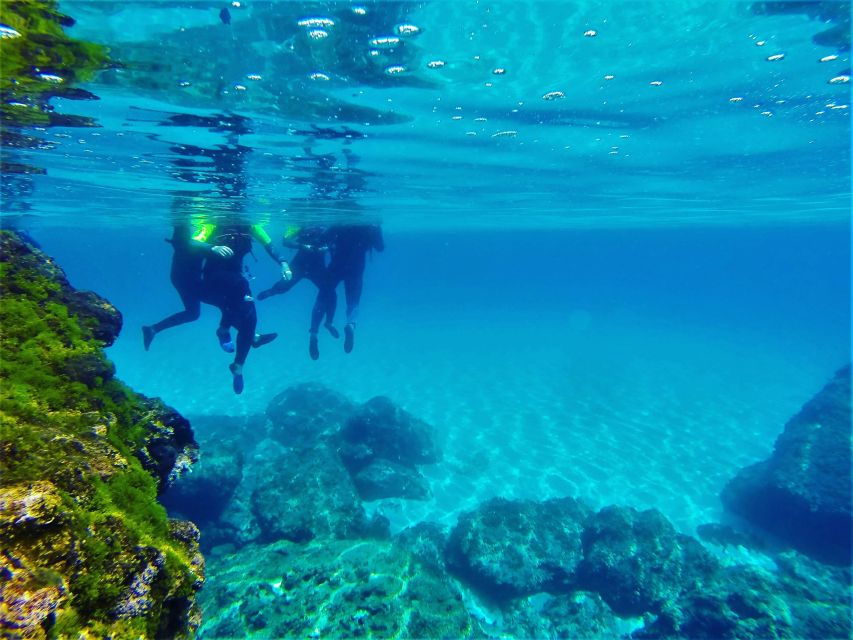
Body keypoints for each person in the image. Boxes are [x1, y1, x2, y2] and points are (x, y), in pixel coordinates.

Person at [194, 220, 292, 393]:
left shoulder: (251, 225)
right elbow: (192, 242)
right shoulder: (213, 222)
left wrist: (283, 262)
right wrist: (212, 248)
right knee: (242, 287)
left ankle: (238, 366)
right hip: (214, 278)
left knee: (250, 319)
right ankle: (225, 330)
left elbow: (269, 245)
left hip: (236, 280)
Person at [256, 225, 339, 360]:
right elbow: (285, 240)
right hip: (300, 264)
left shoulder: (328, 226)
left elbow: (336, 245)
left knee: (331, 293)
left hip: (316, 267)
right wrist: (302, 246)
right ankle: (272, 291)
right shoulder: (300, 224)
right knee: (284, 287)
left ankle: (328, 323)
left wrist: (328, 248)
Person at [324, 223, 384, 354]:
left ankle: (326, 322)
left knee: (325, 292)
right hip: (357, 266)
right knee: (353, 301)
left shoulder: (340, 221)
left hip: (337, 264)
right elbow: (380, 248)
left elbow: (324, 238)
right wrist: (376, 229)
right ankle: (351, 324)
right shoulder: (368, 224)